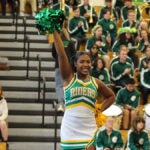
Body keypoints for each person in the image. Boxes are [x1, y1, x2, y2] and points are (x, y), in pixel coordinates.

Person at [53, 29, 115, 149]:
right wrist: (54, 31)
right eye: (82, 62)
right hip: (70, 129)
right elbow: (61, 53)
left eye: (88, 62)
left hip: (89, 128)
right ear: (75, 64)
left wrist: (99, 109)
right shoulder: (68, 78)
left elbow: (111, 96)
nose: (86, 64)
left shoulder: (96, 82)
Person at [52, 27, 76, 112]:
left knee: (59, 85)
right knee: (69, 85)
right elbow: (74, 55)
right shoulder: (70, 43)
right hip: (68, 67)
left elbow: (54, 54)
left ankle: (61, 104)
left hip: (58, 66)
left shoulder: (56, 42)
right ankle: (69, 104)